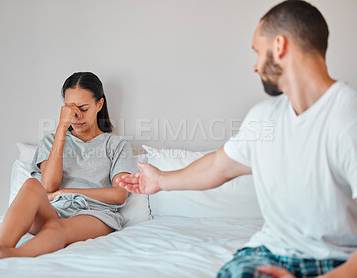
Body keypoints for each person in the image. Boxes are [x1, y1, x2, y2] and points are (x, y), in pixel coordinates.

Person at [117, 1, 357, 277]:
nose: (255, 67)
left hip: (338, 261)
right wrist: (161, 180)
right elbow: (218, 166)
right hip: (271, 251)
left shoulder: (347, 117)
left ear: (279, 46)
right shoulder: (263, 118)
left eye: (258, 51)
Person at [0, 72, 138, 258]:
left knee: (55, 227)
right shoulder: (51, 141)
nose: (76, 116)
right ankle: (0, 246)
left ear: (99, 104)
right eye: (70, 109)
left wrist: (65, 192)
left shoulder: (116, 145)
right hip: (54, 209)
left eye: (83, 108)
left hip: (94, 214)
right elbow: (49, 185)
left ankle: (11, 254)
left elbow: (119, 195)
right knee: (31, 185)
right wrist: (62, 127)